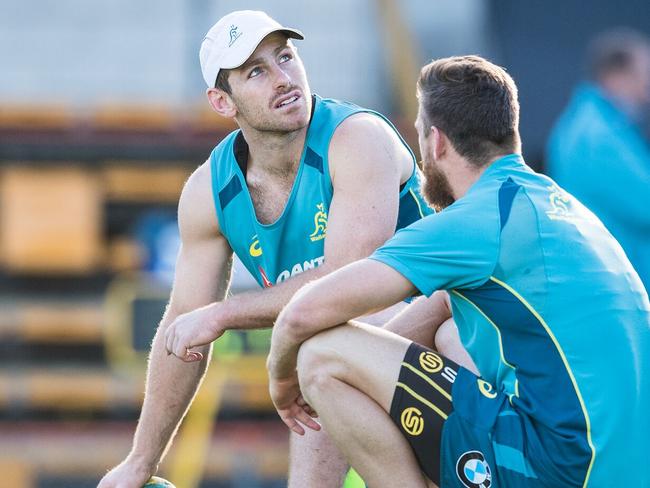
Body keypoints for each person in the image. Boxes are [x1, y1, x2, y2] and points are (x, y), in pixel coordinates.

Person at [97, 9, 455, 488]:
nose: (284, 79)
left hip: (438, 343)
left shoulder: (356, 137)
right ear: (223, 102)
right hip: (335, 370)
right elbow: (183, 324)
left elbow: (348, 279)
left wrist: (224, 314)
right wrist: (141, 460)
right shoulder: (209, 190)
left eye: (285, 56)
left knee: (327, 337)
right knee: (321, 347)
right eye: (257, 72)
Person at [267, 55, 650, 487]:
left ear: (437, 142)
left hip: (563, 469)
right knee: (451, 332)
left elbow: (304, 314)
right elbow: (442, 304)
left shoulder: (476, 220)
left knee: (321, 353)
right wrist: (371, 375)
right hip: (627, 469)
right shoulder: (562, 206)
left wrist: (285, 383)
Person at [547, 28, 650, 293]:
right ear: (615, 77)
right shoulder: (599, 135)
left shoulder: (589, 123)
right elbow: (644, 202)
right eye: (643, 76)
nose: (646, 88)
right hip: (625, 276)